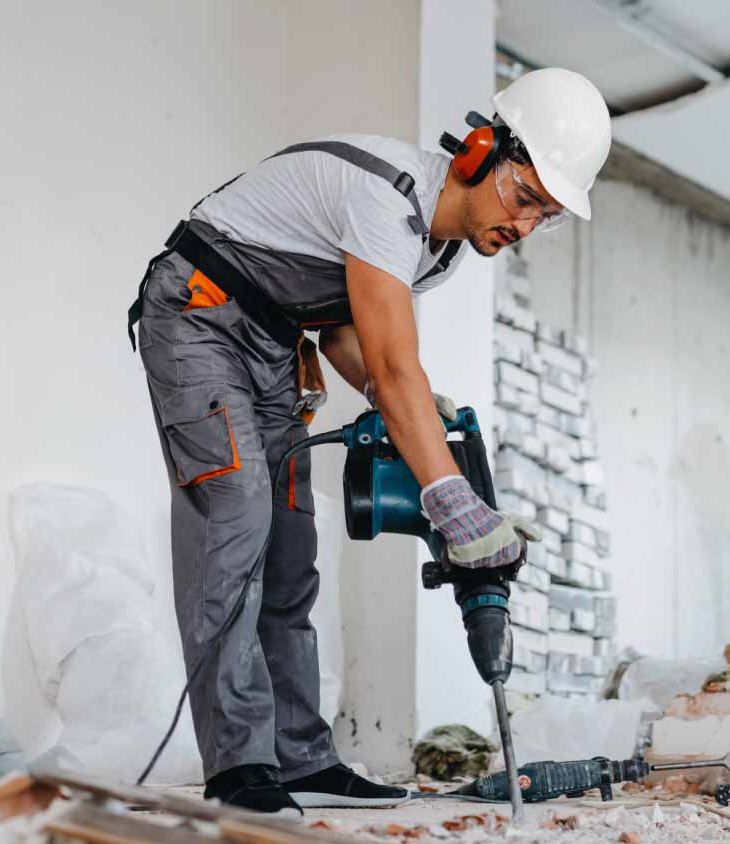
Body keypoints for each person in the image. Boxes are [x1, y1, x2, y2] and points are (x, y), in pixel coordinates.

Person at [127, 68, 612, 814]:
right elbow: (390, 365)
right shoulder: (388, 201)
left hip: (272, 344)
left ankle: (301, 759)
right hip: (199, 314)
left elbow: (345, 332)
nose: (522, 227)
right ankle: (236, 768)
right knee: (236, 519)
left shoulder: (440, 253)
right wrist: (451, 497)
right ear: (478, 154)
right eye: (524, 198)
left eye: (543, 217)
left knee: (290, 543)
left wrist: (412, 410)